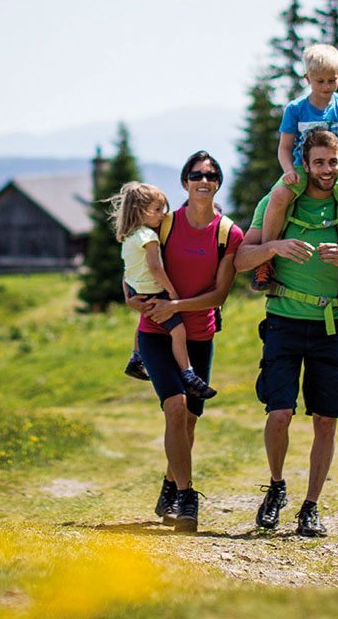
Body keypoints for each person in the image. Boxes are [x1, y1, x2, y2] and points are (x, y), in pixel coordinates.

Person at [234, 129, 338, 538]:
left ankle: (311, 506)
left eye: (333, 162)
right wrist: (274, 248)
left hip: (330, 326)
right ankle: (277, 487)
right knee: (279, 412)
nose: (326, 171)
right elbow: (240, 260)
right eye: (318, 163)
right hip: (282, 321)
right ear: (305, 162)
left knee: (326, 419)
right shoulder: (278, 201)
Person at [126, 151, 243, 533]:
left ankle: (170, 485)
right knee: (175, 408)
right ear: (184, 182)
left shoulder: (229, 233)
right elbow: (134, 264)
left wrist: (176, 303)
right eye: (195, 174)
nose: (203, 180)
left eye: (210, 174)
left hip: (199, 334)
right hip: (156, 331)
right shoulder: (166, 224)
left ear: (218, 182)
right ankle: (187, 496)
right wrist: (130, 296)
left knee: (190, 420)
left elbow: (219, 295)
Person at [248, 44, 338, 309]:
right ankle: (265, 260)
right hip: (301, 169)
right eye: (320, 81)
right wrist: (289, 171)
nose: (326, 86)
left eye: (332, 80)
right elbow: (283, 147)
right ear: (307, 79)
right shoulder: (295, 109)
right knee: (279, 195)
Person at [108, 181, 215, 399]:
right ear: (141, 211)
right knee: (178, 331)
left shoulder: (128, 236)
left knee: (145, 320)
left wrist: (129, 294)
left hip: (135, 288)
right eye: (157, 209)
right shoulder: (149, 237)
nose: (162, 214)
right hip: (153, 290)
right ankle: (188, 373)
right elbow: (156, 268)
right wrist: (172, 292)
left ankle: (136, 357)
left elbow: (128, 270)